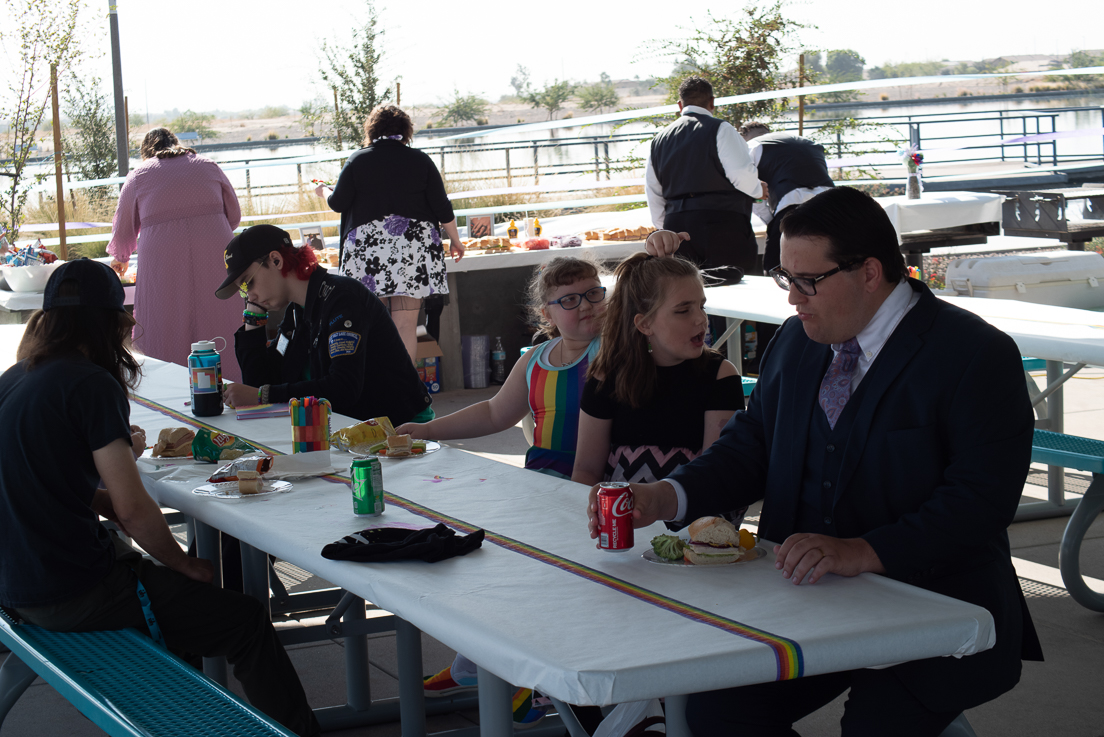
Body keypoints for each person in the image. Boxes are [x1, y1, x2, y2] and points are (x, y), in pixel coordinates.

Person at [588, 187, 1043, 736]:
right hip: (803, 598)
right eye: (785, 278)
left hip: (933, 602)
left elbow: (980, 501)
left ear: (869, 272)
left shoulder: (974, 353)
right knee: (716, 712)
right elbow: (752, 444)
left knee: (875, 726)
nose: (792, 299)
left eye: (807, 281)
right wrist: (669, 495)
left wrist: (864, 551)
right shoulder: (797, 340)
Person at [0, 259, 320, 737]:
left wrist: (102, 504)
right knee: (245, 619)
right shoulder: (90, 384)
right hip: (68, 591)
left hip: (15, 584)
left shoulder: (16, 377)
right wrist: (184, 564)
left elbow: (38, 480)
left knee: (184, 604)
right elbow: (133, 509)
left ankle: (196, 718)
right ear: (113, 323)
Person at [398, 256, 606, 479]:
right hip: (540, 479)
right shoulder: (535, 360)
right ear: (547, 315)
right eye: (570, 299)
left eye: (593, 294)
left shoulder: (613, 352)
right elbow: (493, 413)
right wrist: (428, 430)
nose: (586, 305)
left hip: (598, 485)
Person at [217, 223, 433, 426]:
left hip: (403, 429)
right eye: (243, 291)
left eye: (248, 283)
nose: (250, 296)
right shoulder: (296, 311)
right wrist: (253, 318)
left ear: (275, 260)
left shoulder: (343, 299)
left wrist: (263, 396)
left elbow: (343, 388)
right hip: (354, 428)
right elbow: (259, 384)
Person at [572, 253, 745, 493]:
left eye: (701, 306)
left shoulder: (720, 375)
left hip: (694, 509)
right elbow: (586, 471)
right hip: (619, 511)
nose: (701, 319)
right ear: (644, 324)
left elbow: (715, 471)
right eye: (683, 310)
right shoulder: (606, 377)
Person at [316, 104, 465, 362]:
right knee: (406, 326)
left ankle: (378, 382)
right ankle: (404, 384)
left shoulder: (357, 159)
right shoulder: (420, 160)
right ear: (406, 131)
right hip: (413, 248)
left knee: (372, 323)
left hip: (368, 250)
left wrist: (324, 191)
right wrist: (455, 240)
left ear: (372, 130)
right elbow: (442, 206)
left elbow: (338, 203)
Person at [108, 128, 245, 382]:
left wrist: (121, 256)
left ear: (146, 152)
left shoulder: (139, 175)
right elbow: (234, 216)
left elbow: (124, 230)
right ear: (176, 144)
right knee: (219, 312)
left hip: (162, 254)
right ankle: (231, 380)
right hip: (213, 247)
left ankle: (165, 383)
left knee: (163, 314)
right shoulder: (209, 166)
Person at [644, 77, 762, 284]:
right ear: (712, 102)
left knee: (687, 289)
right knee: (736, 288)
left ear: (680, 105)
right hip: (723, 223)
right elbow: (741, 174)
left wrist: (668, 229)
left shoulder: (659, 139)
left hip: (678, 227)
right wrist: (758, 190)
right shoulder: (721, 129)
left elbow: (653, 191)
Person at [739, 121, 834, 273]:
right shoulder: (807, 142)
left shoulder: (751, 146)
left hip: (790, 203)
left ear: (744, 138)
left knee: (774, 266)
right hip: (830, 202)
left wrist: (772, 222)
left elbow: (753, 192)